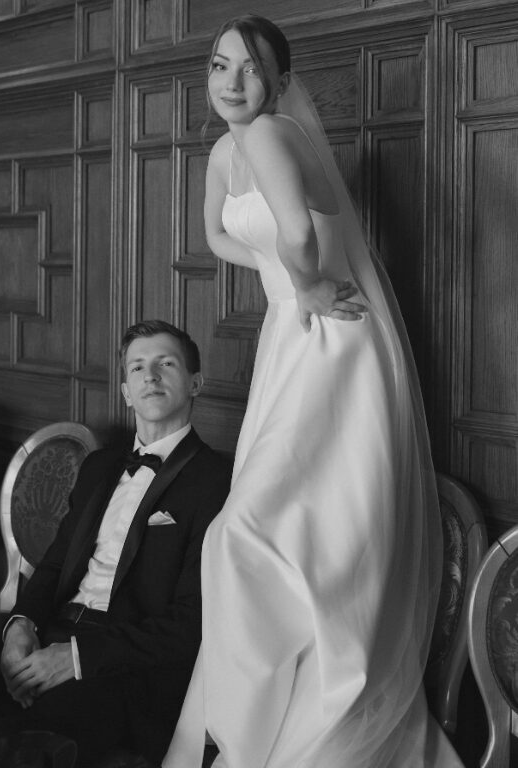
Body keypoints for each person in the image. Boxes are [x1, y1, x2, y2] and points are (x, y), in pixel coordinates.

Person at [163, 15, 465, 768]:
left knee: (262, 531)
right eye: (219, 65)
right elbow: (219, 237)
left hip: (330, 339)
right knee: (297, 528)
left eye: (251, 68)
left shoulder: (269, 134)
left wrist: (306, 285)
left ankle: (277, 725)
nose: (233, 83)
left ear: (280, 82)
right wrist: (283, 282)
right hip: (291, 335)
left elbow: (298, 234)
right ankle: (268, 711)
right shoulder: (225, 150)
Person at [0, 320, 232, 768]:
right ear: (126, 392)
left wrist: (76, 659)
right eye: (137, 367)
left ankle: (7, 746)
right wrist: (20, 628)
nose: (150, 376)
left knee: (42, 732)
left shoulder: (216, 482)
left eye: (166, 364)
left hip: (122, 668)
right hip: (50, 631)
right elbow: (52, 567)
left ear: (195, 383)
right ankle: (0, 743)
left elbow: (191, 622)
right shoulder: (99, 466)